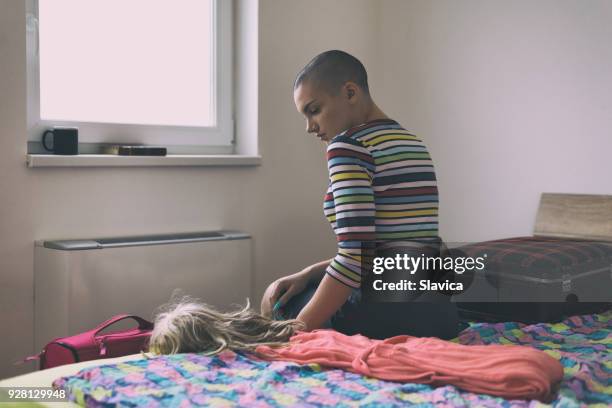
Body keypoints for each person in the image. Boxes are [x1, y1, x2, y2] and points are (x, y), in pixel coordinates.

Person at [260, 50, 461, 340]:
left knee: (277, 298)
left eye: (314, 110)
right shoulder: (413, 144)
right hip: (439, 315)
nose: (309, 127)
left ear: (350, 92)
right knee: (303, 285)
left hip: (384, 315)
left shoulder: (347, 146)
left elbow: (356, 259)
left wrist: (293, 332)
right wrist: (309, 272)